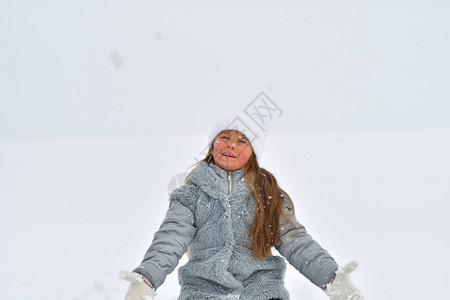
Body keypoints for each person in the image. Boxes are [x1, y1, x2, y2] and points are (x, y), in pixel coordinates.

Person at [121, 111, 364, 300]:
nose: (231, 145)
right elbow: (170, 238)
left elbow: (296, 242)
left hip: (262, 292)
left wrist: (331, 277)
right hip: (203, 293)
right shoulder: (190, 195)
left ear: (253, 152)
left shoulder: (268, 195)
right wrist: (146, 279)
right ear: (212, 145)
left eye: (241, 141)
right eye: (224, 137)